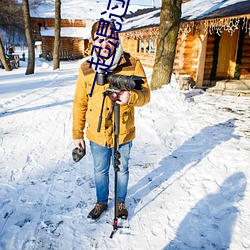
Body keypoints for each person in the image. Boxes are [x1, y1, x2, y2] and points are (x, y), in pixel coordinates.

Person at [72, 20, 150, 220]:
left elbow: (145, 95)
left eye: (109, 38)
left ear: (116, 38)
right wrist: (77, 134)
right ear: (93, 41)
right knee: (100, 170)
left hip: (123, 131)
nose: (105, 44)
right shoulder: (87, 68)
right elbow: (80, 102)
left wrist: (130, 97)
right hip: (97, 133)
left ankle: (121, 202)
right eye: (100, 39)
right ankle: (101, 202)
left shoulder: (132, 64)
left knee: (122, 169)